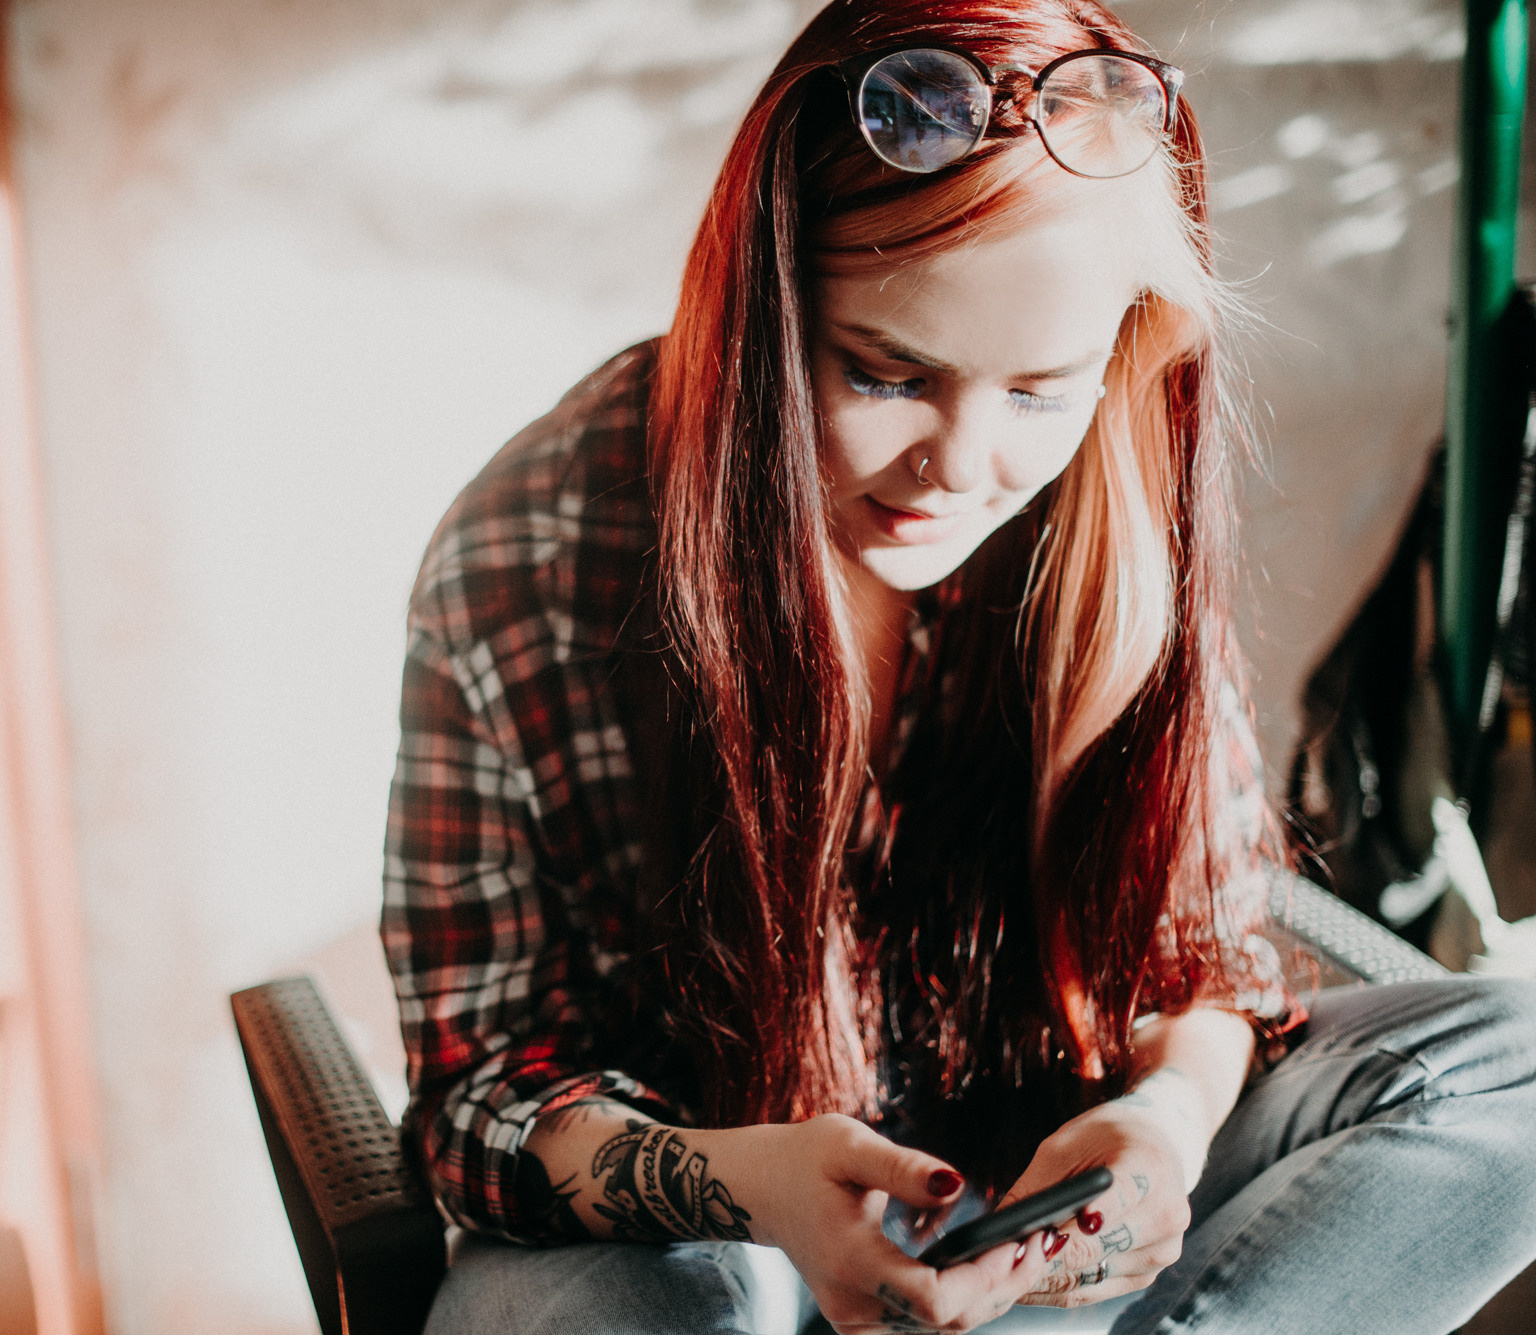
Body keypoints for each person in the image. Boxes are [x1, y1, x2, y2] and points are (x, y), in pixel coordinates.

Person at [380, 1, 1536, 1331]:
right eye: (885, 373)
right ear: (766, 306)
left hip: (1031, 1195)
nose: (967, 467)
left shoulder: (1107, 500)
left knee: (1517, 1065)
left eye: (1042, 390)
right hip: (706, 1212)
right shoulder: (536, 540)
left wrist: (1160, 1127)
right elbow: (478, 1099)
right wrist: (744, 1180)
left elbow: (1206, 965)